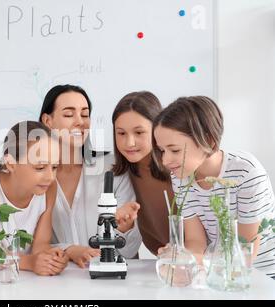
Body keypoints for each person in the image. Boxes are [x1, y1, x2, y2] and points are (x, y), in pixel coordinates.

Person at [153, 95, 275, 278]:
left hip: (263, 276)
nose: (165, 160)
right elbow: (196, 241)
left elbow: (245, 252)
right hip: (217, 273)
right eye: (162, 150)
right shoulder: (180, 176)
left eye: (175, 150)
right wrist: (181, 257)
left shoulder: (246, 172)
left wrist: (195, 262)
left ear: (208, 141)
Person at [39, 84, 141, 268]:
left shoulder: (114, 169)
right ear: (47, 121)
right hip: (56, 280)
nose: (80, 122)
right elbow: (29, 243)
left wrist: (125, 230)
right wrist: (70, 250)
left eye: (85, 115)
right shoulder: (34, 177)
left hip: (111, 282)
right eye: (69, 115)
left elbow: (129, 252)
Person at [0, 121, 69, 276]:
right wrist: (31, 262)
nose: (50, 177)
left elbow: (40, 245)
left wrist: (54, 259)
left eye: (55, 167)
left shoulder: (49, 188)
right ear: (10, 163)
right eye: (40, 168)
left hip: (21, 275)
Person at [112, 91, 175, 256]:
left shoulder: (177, 167)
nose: (129, 143)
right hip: (162, 261)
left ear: (157, 130)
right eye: (121, 133)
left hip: (196, 261)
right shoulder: (123, 175)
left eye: (139, 132)